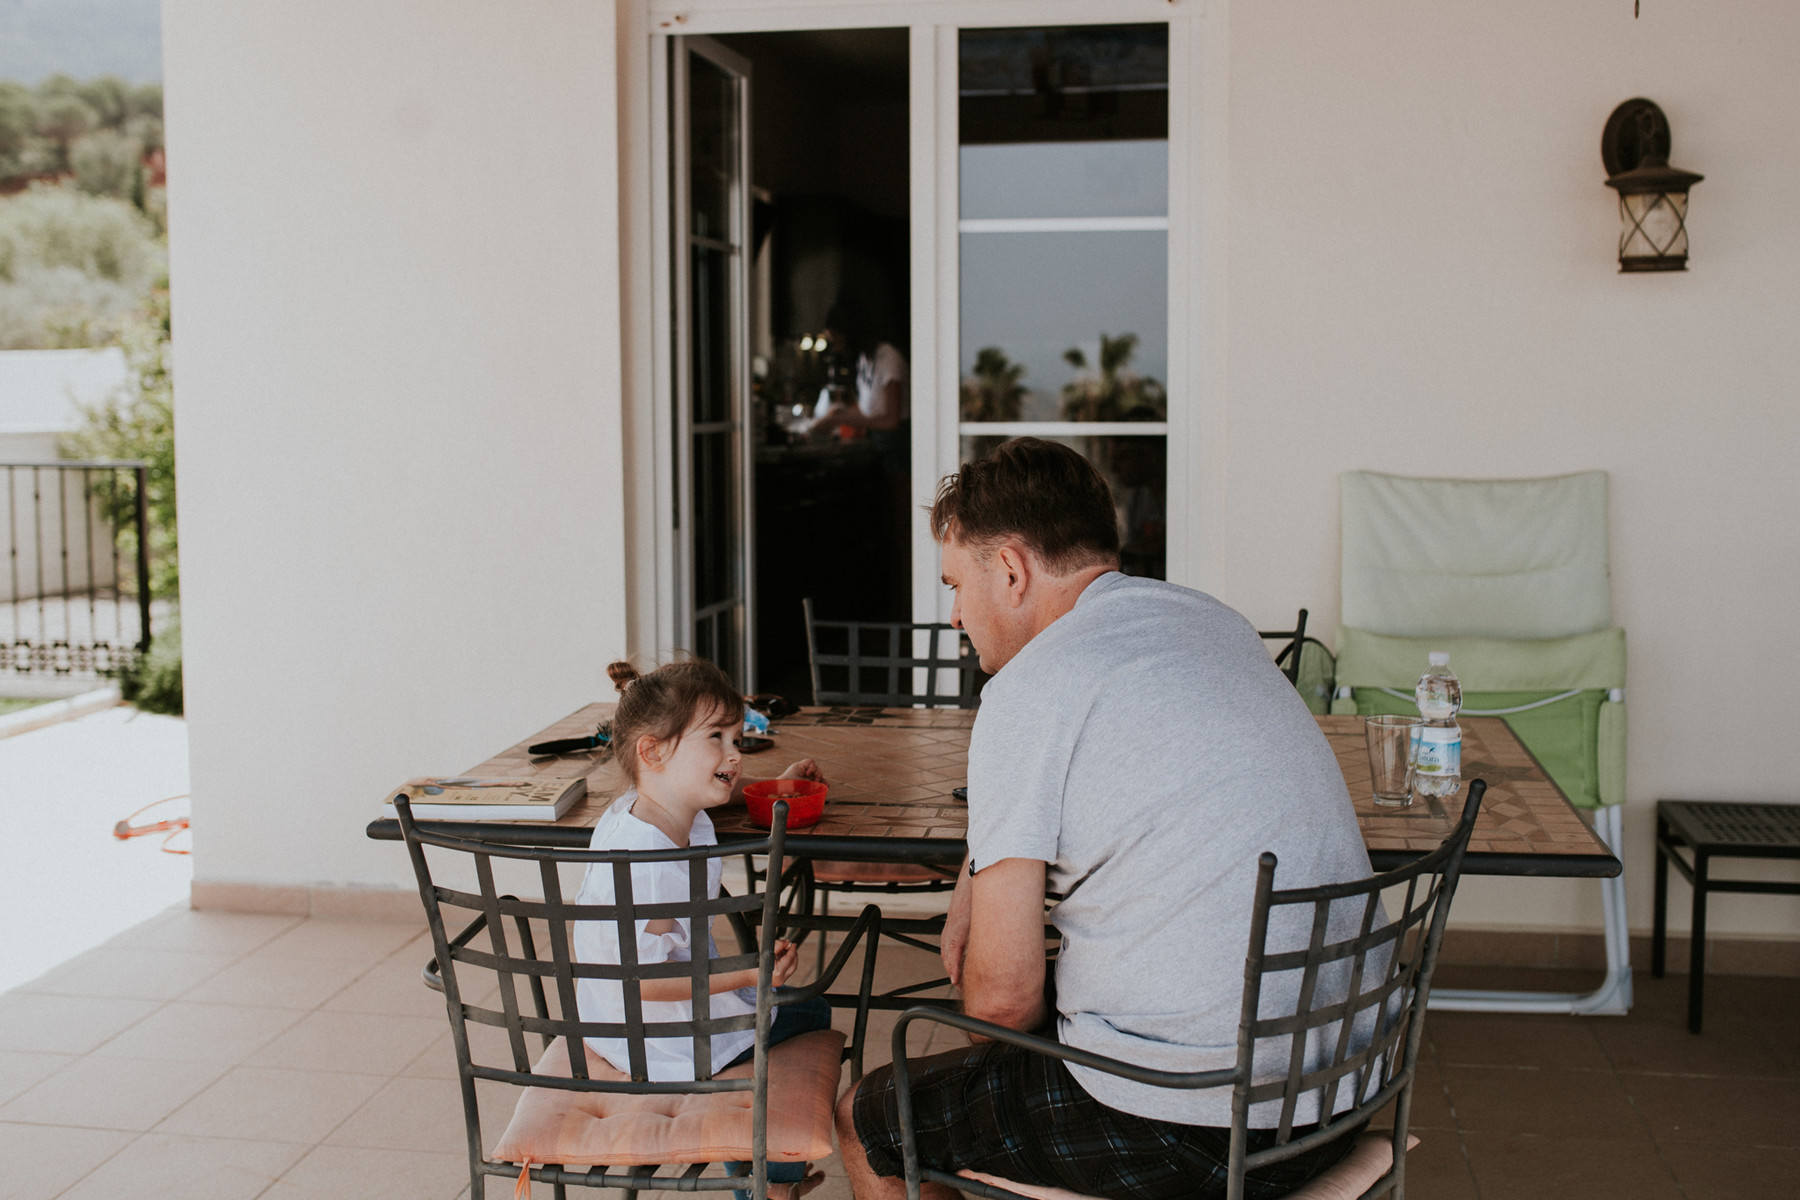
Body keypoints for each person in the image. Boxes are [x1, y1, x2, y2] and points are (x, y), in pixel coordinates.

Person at [835, 438, 1379, 1200]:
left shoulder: (1032, 687)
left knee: (874, 1114)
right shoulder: (1212, 623)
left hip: (1197, 1129)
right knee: (1024, 1026)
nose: (955, 614)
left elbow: (1000, 1000)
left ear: (1013, 570)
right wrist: (977, 866)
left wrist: (994, 971)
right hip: (1339, 1093)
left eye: (957, 584)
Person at [574, 658, 831, 1200]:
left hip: (612, 1024)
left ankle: (757, 1172)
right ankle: (768, 1185)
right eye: (716, 738)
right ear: (652, 751)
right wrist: (747, 969)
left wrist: (772, 786)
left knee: (779, 1007)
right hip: (661, 1038)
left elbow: (710, 795)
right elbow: (644, 978)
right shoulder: (656, 863)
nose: (734, 755)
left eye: (736, 739)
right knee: (807, 1010)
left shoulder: (639, 808)